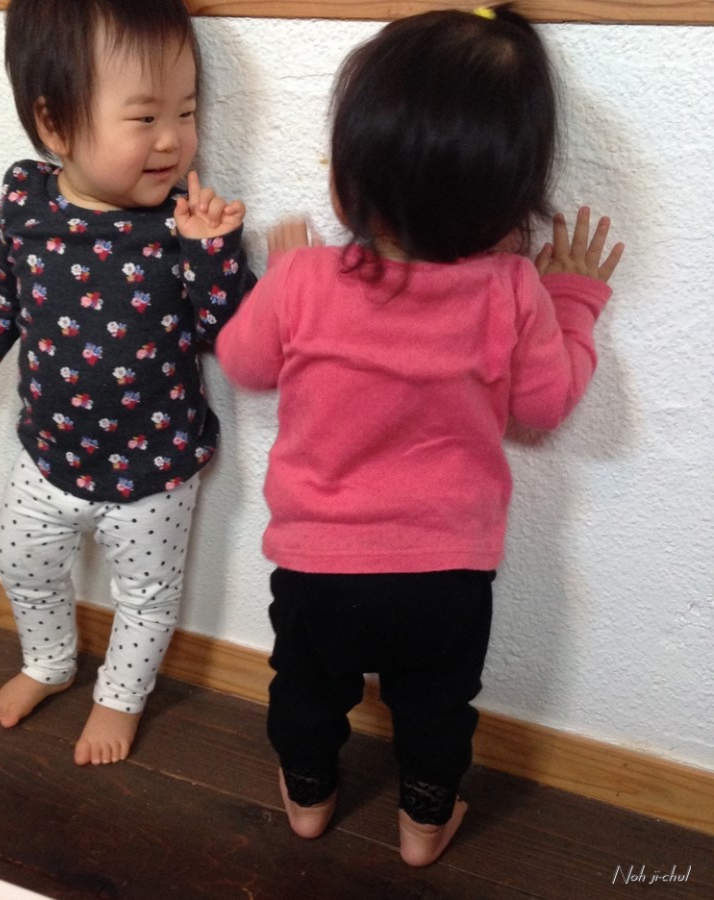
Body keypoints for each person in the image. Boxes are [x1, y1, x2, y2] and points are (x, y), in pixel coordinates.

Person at [216, 4, 623, 867]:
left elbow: (243, 362)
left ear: (344, 185)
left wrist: (281, 279)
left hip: (318, 568)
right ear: (513, 205)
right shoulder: (513, 289)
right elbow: (546, 405)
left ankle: (309, 799)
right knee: (437, 706)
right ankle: (424, 823)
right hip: (447, 575)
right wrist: (573, 300)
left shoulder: (305, 279)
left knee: (306, 689)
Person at [0, 0, 255, 767]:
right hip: (47, 453)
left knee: (146, 597)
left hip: (154, 468)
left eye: (186, 111)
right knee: (22, 565)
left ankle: (120, 698)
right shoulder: (27, 200)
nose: (173, 139)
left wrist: (214, 255)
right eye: (144, 117)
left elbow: (234, 338)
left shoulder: (183, 225)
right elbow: (0, 289)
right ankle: (50, 661)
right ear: (54, 123)